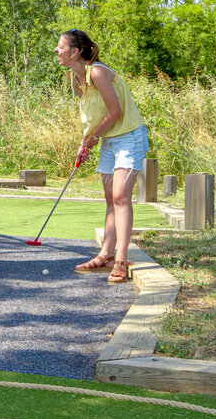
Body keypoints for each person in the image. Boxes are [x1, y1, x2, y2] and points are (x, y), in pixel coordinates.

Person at [56, 28, 149, 284]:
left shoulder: (96, 71)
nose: (56, 50)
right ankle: (106, 254)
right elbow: (95, 116)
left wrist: (91, 138)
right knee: (110, 198)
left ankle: (120, 260)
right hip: (110, 139)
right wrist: (85, 142)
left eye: (61, 46)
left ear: (75, 52)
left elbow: (116, 111)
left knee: (120, 196)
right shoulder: (75, 78)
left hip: (129, 137)